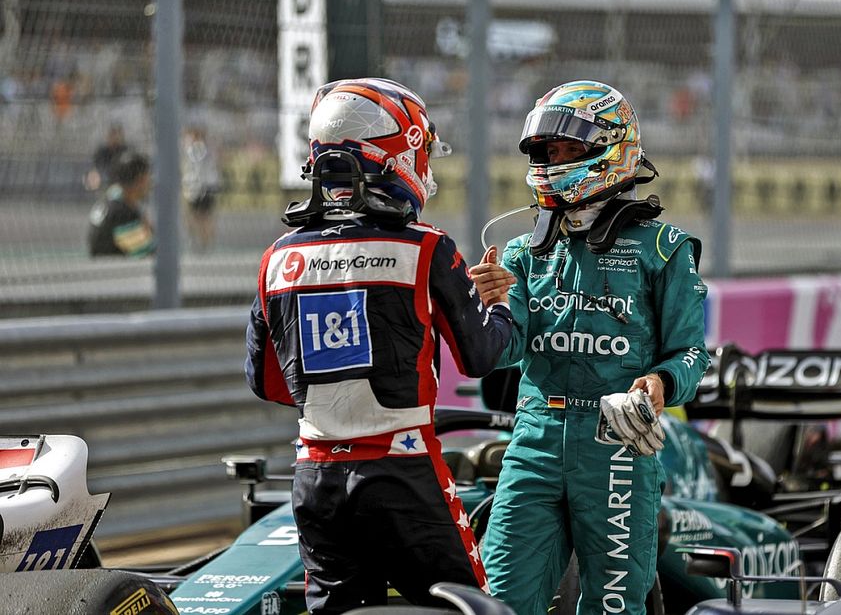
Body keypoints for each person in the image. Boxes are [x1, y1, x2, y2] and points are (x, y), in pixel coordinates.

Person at [244, 78, 515, 614]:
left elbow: (267, 383)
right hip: (405, 474)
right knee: (473, 609)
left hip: (314, 479)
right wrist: (501, 306)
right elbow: (482, 356)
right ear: (400, 153)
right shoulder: (427, 247)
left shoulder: (276, 258)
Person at [470, 80, 710, 614]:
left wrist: (661, 383)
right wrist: (487, 308)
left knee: (615, 607)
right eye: (548, 152)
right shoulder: (522, 252)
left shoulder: (664, 249)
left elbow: (693, 355)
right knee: (499, 602)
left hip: (619, 443)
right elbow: (506, 351)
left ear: (612, 146)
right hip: (533, 439)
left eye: (570, 150)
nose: (554, 162)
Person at [87, 150, 155, 257]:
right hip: (114, 270)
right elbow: (145, 253)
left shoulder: (111, 199)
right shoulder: (123, 211)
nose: (150, 183)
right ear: (139, 180)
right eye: (147, 177)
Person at [180, 125, 222, 252]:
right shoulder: (206, 148)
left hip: (199, 188)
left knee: (201, 217)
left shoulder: (197, 149)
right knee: (199, 216)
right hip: (202, 186)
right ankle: (202, 242)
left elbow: (197, 168)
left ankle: (203, 243)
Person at [87, 123, 128, 192]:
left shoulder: (125, 151)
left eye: (117, 135)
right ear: (108, 137)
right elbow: (98, 168)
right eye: (112, 135)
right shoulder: (101, 152)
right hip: (105, 184)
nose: (115, 138)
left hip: (123, 185)